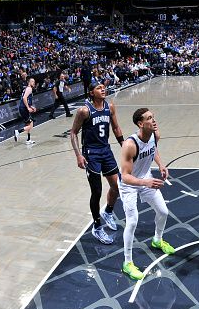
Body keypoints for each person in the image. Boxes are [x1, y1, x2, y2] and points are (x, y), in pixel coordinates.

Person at [119, 108, 175, 280]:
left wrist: (161, 165)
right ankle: (127, 263)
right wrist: (145, 182)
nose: (154, 120)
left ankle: (157, 240)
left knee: (163, 212)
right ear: (140, 124)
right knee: (132, 221)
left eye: (153, 116)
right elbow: (126, 176)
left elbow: (153, 150)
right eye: (149, 118)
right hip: (129, 186)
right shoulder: (129, 145)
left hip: (146, 180)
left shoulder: (154, 135)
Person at [70, 82, 124, 244]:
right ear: (91, 92)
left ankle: (108, 211)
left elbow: (116, 128)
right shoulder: (84, 111)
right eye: (99, 88)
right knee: (97, 191)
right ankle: (97, 227)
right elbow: (73, 133)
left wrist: (124, 144)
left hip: (106, 151)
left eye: (103, 87)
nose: (103, 89)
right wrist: (78, 155)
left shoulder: (110, 107)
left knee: (117, 187)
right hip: (91, 154)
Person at [14, 77, 37, 145]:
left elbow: (26, 100)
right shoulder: (29, 89)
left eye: (34, 82)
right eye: (32, 81)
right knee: (31, 125)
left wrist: (31, 107)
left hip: (23, 108)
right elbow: (24, 98)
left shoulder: (27, 89)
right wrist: (28, 108)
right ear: (29, 82)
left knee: (29, 124)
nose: (34, 83)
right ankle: (18, 131)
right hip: (24, 108)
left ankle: (28, 139)